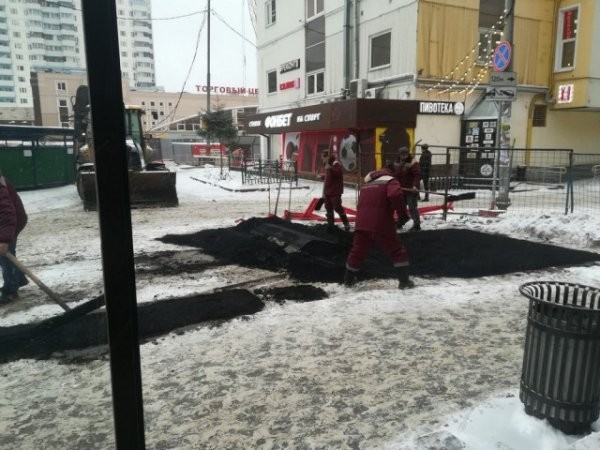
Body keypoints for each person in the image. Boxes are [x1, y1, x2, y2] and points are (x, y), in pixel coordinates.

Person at [344, 166, 414, 289]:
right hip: (381, 222)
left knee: (357, 251)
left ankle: (348, 280)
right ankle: (404, 282)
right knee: (396, 250)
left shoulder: (367, 183)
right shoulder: (390, 180)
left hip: (361, 222)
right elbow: (395, 195)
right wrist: (403, 215)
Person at [0, 171, 28, 304]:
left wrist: (4, 240)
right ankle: (19, 278)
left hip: (11, 222)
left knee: (5, 255)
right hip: (6, 221)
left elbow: (6, 213)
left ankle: (10, 291)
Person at [321, 150, 351, 232]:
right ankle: (331, 225)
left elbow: (338, 173)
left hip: (335, 190)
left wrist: (330, 169)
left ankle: (346, 223)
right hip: (328, 191)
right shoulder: (328, 165)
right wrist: (322, 177)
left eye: (324, 157)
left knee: (337, 207)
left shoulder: (336, 164)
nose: (323, 159)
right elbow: (329, 176)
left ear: (328, 157)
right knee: (328, 207)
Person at [393, 146, 422, 231]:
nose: (403, 156)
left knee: (412, 207)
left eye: (405, 155)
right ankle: (400, 222)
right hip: (401, 189)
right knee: (401, 207)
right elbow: (395, 174)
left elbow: (417, 175)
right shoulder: (397, 162)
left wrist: (415, 186)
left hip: (411, 190)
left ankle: (417, 225)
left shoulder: (413, 162)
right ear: (399, 155)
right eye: (402, 155)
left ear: (408, 154)